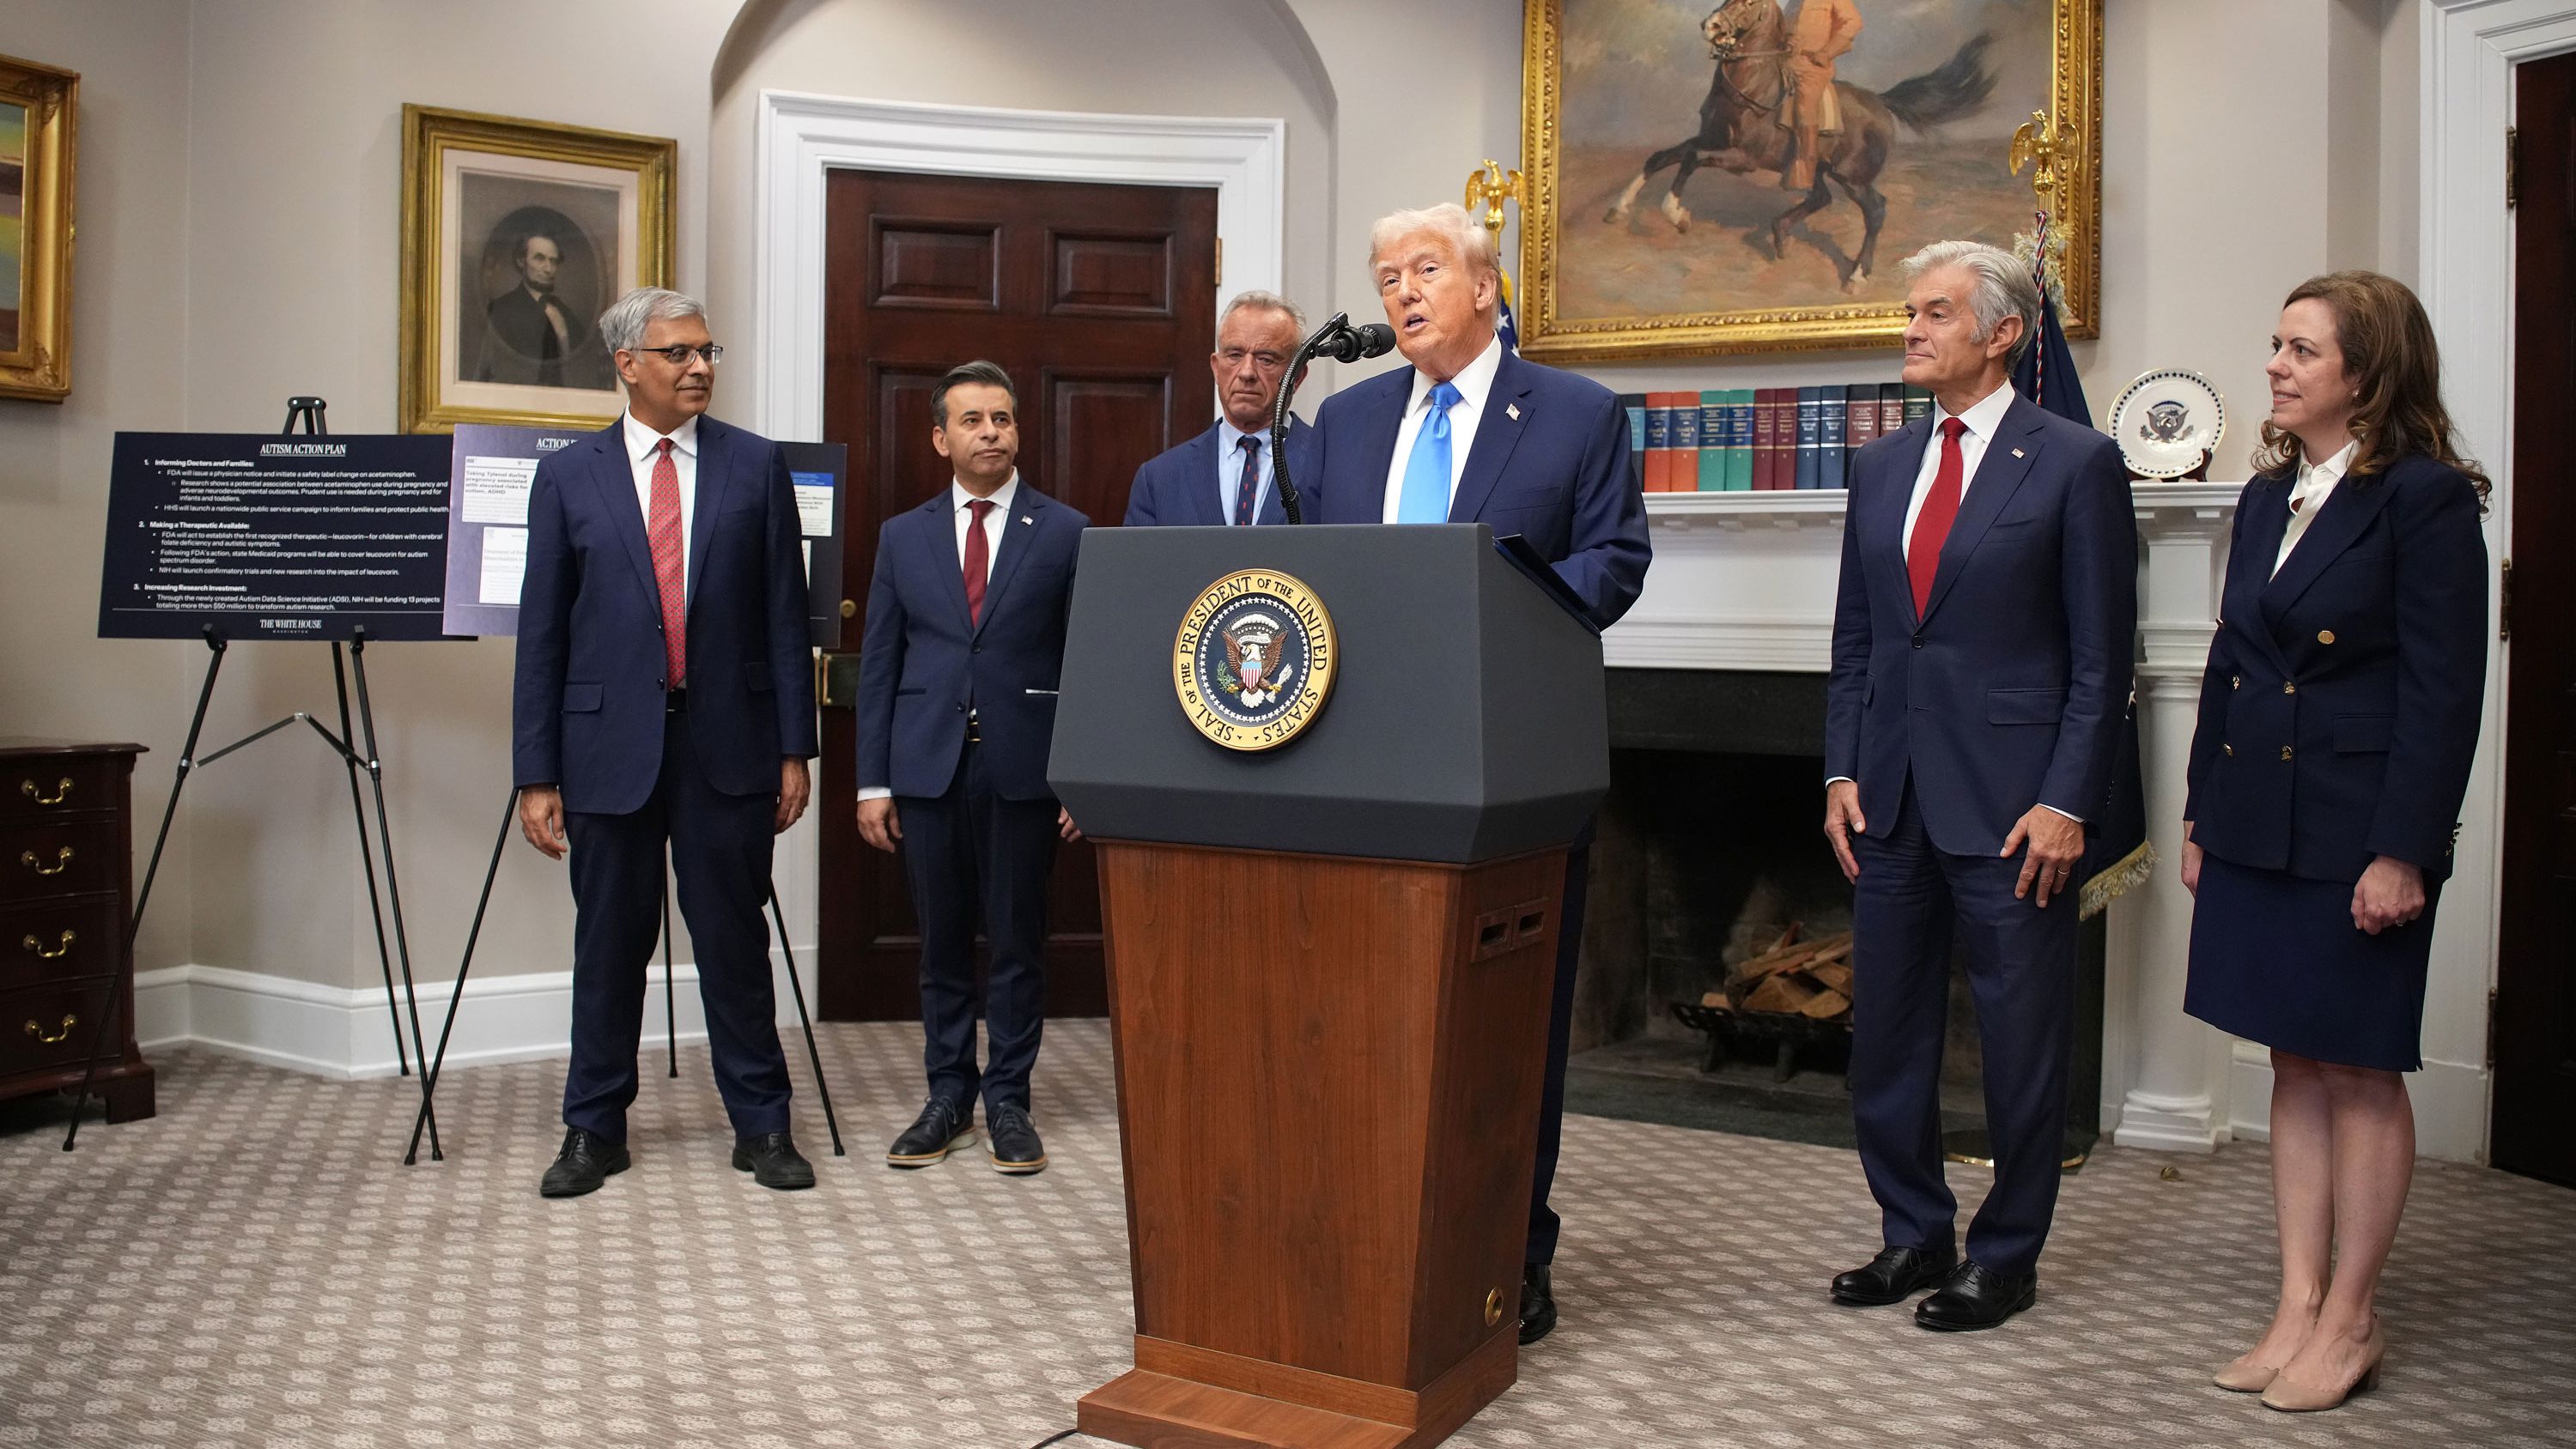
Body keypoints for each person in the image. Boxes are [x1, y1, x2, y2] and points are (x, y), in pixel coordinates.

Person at [1312, 202, 1650, 1344]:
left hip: (1509, 758)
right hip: (1358, 763)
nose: (1401, 292)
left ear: (1485, 289)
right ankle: (1365, 1231)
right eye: (1386, 274)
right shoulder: (1347, 421)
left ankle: (1514, 1247)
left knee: (1508, 1019)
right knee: (1364, 1015)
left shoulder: (1576, 414)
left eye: (1423, 270)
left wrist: (1499, 605)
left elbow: (1616, 561)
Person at [2181, 271, 2488, 1413]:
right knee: (2292, 1062)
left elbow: (2444, 694)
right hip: (2258, 815)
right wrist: (2201, 811)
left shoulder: (2426, 499)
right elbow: (2230, 662)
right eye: (2275, 344)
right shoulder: (2266, 497)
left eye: (2300, 349)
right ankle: (2297, 1304)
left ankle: (2352, 1316)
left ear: (2366, 373)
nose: (2275, 364)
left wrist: (2404, 851)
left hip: (2358, 828)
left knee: (2358, 1068)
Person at [1820, 239, 2135, 1330]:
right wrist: (1840, 767)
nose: (1911, 329)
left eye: (1936, 313)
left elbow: (2103, 659)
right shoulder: (1879, 465)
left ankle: (2007, 1252)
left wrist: (2068, 799)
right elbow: (1858, 640)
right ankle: (1914, 1234)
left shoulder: (2074, 460)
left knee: (2019, 1041)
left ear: (2003, 333)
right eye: (1909, 311)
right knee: (1889, 1037)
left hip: (2016, 808)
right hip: (1890, 800)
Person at [513, 287, 819, 1197]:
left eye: (708, 351)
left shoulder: (756, 466)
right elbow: (544, 636)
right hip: (607, 747)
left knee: (733, 939)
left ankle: (762, 1124)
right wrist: (537, 772)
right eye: (680, 353)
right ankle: (593, 1127)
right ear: (627, 365)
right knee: (608, 943)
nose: (700, 368)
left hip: (727, 743)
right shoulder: (569, 476)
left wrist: (793, 748)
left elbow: (781, 619)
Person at [854, 361, 1087, 1177]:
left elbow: (1091, 661)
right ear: (940, 437)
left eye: (1003, 418)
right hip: (926, 772)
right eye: (973, 420)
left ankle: (1008, 1103)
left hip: (1025, 773)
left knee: (1019, 941)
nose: (991, 431)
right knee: (942, 943)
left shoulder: (1065, 531)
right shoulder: (903, 535)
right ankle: (947, 1095)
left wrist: (1083, 776)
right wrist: (872, 782)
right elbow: (880, 663)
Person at [1126, 290, 1321, 526]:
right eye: (1234, 355)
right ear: (1216, 368)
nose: (1247, 372)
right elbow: (1138, 563)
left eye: (1266, 359)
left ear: (1297, 376)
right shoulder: (1160, 478)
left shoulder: (1328, 464)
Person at [478, 232, 606, 389]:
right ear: (521, 261)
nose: (549, 269)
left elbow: (582, 366)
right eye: (539, 259)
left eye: (554, 261)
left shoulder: (565, 313)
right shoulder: (502, 309)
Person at [1781, 0, 1863, 191]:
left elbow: (1854, 22)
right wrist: (1785, 38)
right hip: (1786, 61)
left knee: (1804, 105)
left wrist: (1827, 52)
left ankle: (1804, 169)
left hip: (1812, 66)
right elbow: (1785, 26)